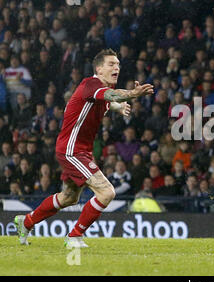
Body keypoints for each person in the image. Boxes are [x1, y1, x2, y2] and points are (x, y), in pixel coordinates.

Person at [14, 49, 154, 247]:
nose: (116, 68)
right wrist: (131, 94)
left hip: (79, 150)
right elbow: (111, 95)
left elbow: (108, 100)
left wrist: (118, 107)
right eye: (111, 64)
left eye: (118, 65)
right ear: (99, 69)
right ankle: (74, 236)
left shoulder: (102, 89)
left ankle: (25, 222)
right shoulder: (91, 84)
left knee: (69, 197)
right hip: (72, 150)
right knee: (107, 192)